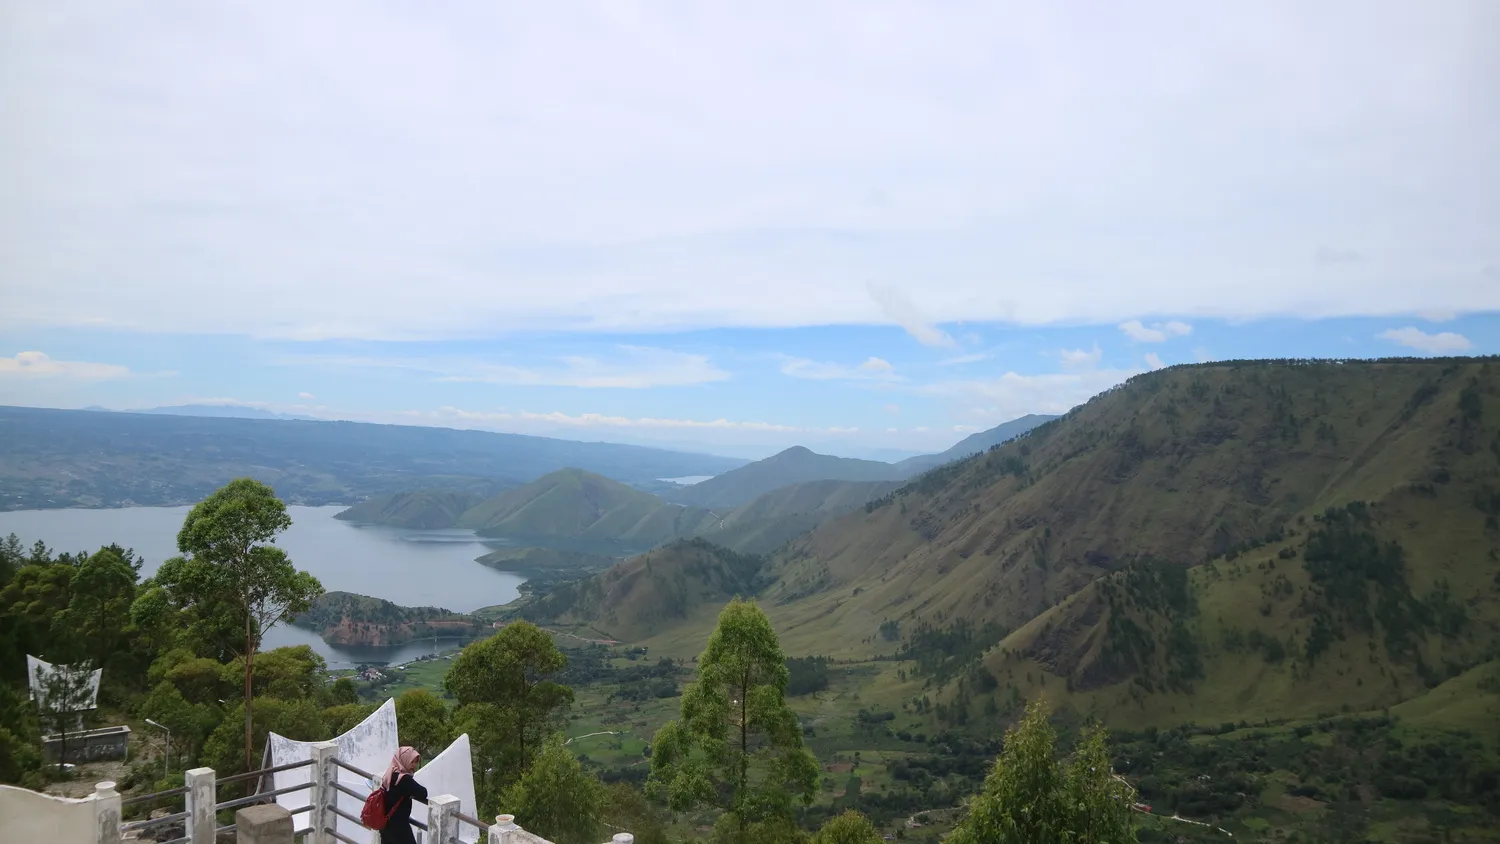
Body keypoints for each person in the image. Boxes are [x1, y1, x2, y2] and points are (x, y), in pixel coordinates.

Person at [378, 746, 427, 844]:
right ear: (404, 760)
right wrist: (411, 793)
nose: (414, 765)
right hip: (399, 828)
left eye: (416, 762)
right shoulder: (404, 779)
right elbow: (423, 793)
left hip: (385, 824)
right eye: (411, 761)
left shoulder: (390, 773)